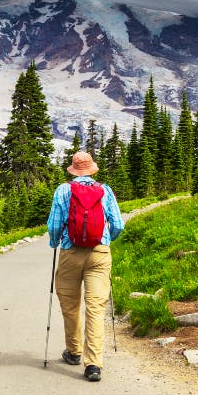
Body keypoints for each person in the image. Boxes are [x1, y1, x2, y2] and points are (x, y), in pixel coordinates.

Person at [46, 151, 125, 382]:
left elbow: (54, 226)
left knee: (70, 305)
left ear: (73, 169)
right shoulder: (105, 189)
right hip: (99, 254)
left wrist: (55, 242)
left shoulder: (63, 190)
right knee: (96, 307)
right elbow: (118, 223)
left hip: (71, 253)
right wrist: (106, 239)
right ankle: (93, 365)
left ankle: (73, 352)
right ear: (92, 170)